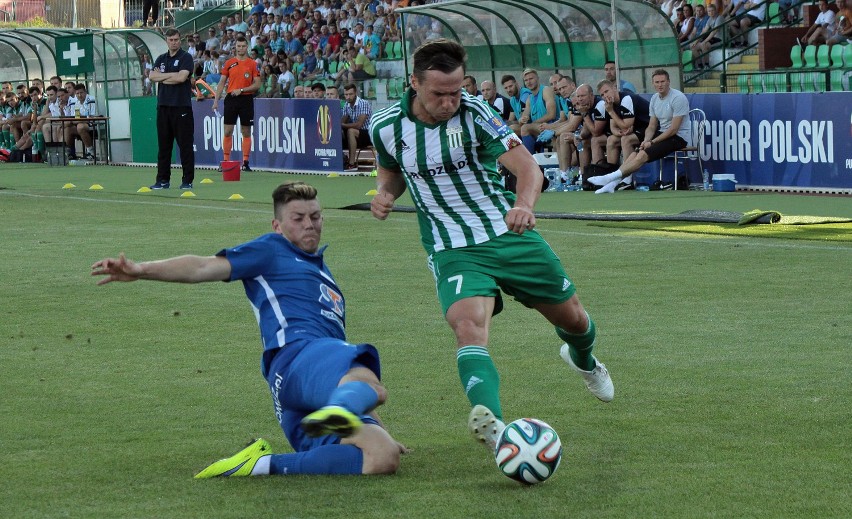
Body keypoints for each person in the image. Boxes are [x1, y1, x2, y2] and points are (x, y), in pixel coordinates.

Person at [369, 39, 614, 453]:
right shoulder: (385, 126)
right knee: (467, 326)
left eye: (455, 91)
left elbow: (528, 169)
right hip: (451, 246)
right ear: (414, 83)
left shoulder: (475, 112)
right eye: (439, 94)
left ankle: (584, 360)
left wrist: (523, 205)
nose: (450, 102)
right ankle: (495, 426)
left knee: (574, 320)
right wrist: (385, 193)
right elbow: (391, 172)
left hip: (506, 233)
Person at [91, 182, 405, 478]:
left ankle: (256, 466)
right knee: (373, 386)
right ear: (277, 226)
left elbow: (337, 369)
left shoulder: (322, 271)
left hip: (304, 385)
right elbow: (202, 266)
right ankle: (340, 408)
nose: (309, 224)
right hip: (296, 356)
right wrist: (141, 270)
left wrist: (377, 428)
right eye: (298, 218)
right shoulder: (271, 250)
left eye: (315, 216)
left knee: (382, 456)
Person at [587, 69, 690, 194]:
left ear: (668, 82)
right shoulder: (655, 98)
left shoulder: (678, 98)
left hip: (679, 137)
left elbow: (673, 129)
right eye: (657, 82)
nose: (660, 85)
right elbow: (652, 126)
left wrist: (651, 142)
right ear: (653, 83)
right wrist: (646, 140)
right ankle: (613, 184)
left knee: (641, 155)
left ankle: (610, 178)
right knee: (634, 154)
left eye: (663, 81)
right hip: (661, 133)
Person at [149, 28, 195, 190]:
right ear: (166, 41)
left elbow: (182, 77)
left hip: (181, 106)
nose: (174, 42)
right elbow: (152, 76)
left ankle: (187, 180)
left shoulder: (186, 57)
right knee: (164, 146)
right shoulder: (161, 58)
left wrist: (163, 78)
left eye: (176, 39)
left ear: (180, 40)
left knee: (185, 146)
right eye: (171, 40)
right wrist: (171, 77)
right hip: (163, 107)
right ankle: (162, 180)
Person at [213, 36, 261, 172]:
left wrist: (241, 90)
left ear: (247, 47)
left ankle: (245, 162)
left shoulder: (252, 64)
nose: (241, 49)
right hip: (231, 99)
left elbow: (257, 84)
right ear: (235, 48)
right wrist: (216, 101)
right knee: (228, 131)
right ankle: (226, 162)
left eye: (243, 46)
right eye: (238, 46)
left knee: (246, 132)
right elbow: (222, 82)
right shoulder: (229, 63)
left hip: (246, 99)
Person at [596, 79, 651, 187]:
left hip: (650, 127)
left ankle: (627, 178)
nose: (605, 96)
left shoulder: (626, 99)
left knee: (626, 139)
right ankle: (611, 176)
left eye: (606, 91)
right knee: (611, 139)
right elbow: (613, 127)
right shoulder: (611, 104)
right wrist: (619, 132)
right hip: (636, 129)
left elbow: (626, 124)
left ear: (614, 88)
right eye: (602, 94)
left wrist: (611, 112)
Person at [517, 68, 558, 154]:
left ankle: (530, 161)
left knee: (525, 128)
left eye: (531, 79)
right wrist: (522, 119)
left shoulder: (546, 90)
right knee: (513, 129)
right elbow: (523, 118)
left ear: (538, 78)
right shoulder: (529, 98)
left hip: (552, 126)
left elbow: (551, 115)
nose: (529, 82)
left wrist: (533, 123)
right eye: (526, 80)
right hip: (539, 128)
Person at [341, 83, 372, 173]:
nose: (348, 97)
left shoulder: (363, 103)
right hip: (357, 135)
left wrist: (343, 125)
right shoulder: (347, 105)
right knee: (339, 132)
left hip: (368, 134)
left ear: (356, 93)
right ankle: (341, 159)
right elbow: (342, 121)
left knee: (351, 131)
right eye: (346, 95)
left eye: (351, 94)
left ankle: (352, 163)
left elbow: (359, 125)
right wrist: (341, 126)